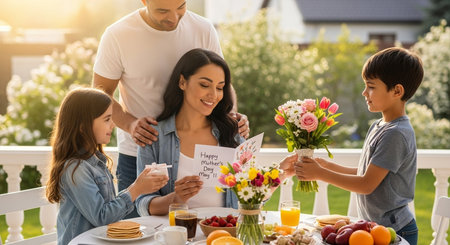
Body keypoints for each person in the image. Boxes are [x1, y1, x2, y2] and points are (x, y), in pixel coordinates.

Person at [93, 0, 249, 218]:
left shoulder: (203, 28)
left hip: (203, 142)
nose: (174, 18)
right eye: (163, 10)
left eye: (181, 7)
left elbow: (219, 79)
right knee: (139, 231)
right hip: (142, 147)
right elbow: (100, 94)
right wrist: (131, 124)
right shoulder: (118, 35)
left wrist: (231, 117)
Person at [135, 49, 297, 215]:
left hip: (225, 234)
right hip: (179, 235)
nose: (213, 95)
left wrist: (280, 174)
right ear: (182, 82)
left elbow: (250, 194)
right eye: (204, 85)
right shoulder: (153, 136)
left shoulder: (232, 132)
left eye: (220, 87)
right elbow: (142, 204)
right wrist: (176, 198)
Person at [292, 47, 423, 245]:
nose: (364, 92)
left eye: (371, 86)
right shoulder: (380, 126)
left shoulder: (396, 134)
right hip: (377, 228)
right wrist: (328, 166)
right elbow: (368, 174)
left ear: (397, 91)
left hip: (395, 230)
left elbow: (366, 185)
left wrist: (320, 174)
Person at [45, 88, 169, 244]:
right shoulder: (75, 169)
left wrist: (140, 187)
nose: (113, 125)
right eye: (107, 119)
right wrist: (136, 189)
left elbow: (108, 210)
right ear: (82, 126)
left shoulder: (97, 162)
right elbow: (102, 217)